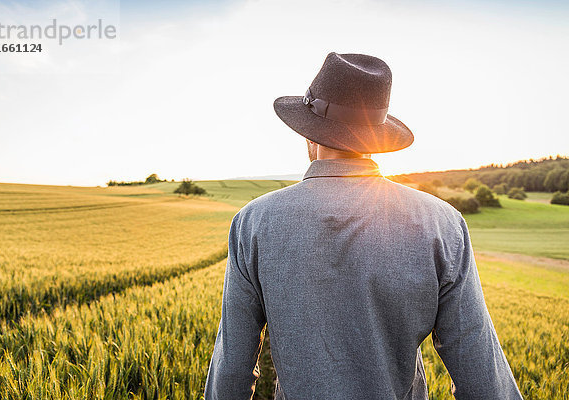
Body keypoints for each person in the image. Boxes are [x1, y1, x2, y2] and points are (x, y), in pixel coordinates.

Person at [204, 52, 522, 399]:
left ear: (309, 135)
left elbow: (232, 368)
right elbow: (481, 370)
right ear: (376, 135)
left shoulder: (253, 222)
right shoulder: (441, 223)